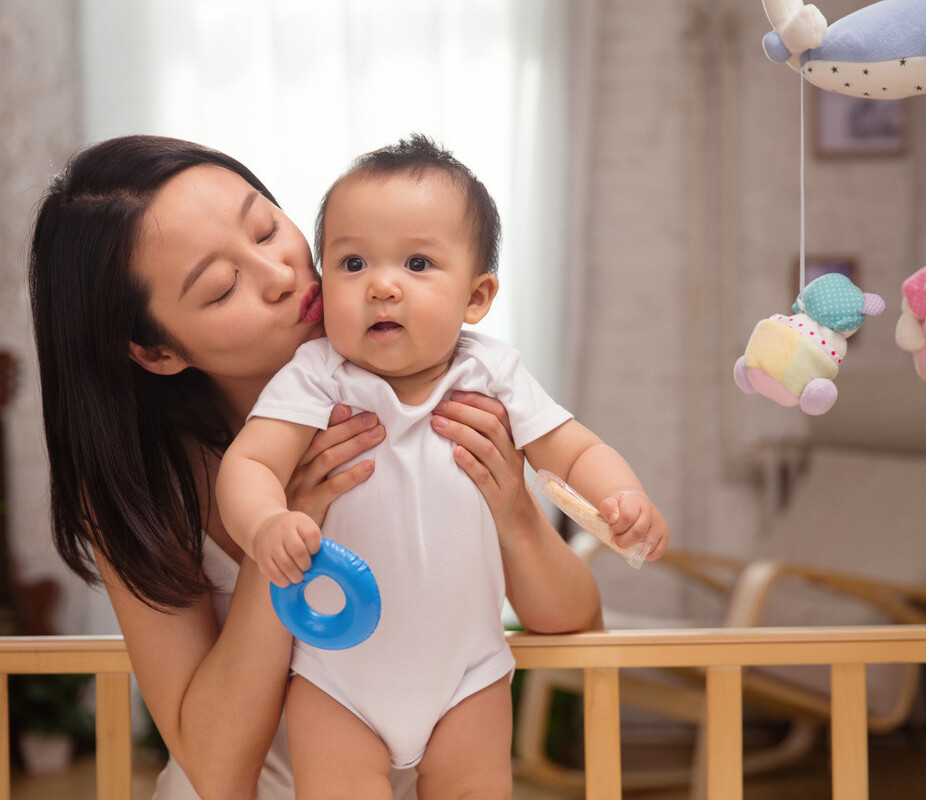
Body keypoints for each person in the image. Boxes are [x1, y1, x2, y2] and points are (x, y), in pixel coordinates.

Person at [27, 133, 605, 799]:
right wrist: (286, 522)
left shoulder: (434, 383)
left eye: (267, 227)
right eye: (221, 288)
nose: (281, 277)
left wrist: (514, 511)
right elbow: (216, 768)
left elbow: (575, 625)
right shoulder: (142, 484)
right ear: (156, 352)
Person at [216, 134, 669, 798]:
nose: (382, 285)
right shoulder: (318, 376)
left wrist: (622, 498)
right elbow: (249, 462)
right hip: (338, 679)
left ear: (477, 297)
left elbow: (574, 449)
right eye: (351, 263)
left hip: (468, 679)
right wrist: (264, 526)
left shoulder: (491, 373)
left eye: (418, 262)